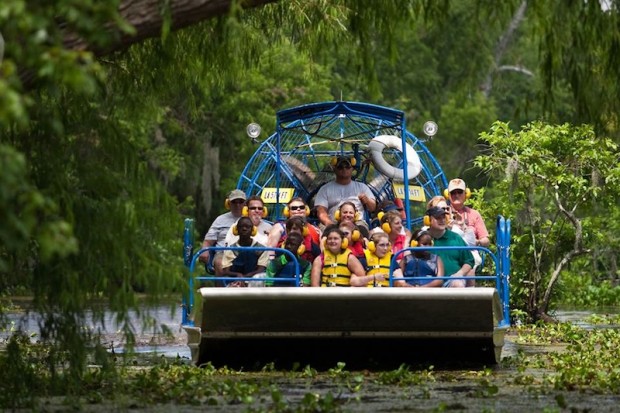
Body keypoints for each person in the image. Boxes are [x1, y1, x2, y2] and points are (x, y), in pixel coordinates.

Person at [445, 178, 490, 285]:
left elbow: (486, 240)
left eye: (460, 192)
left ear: (466, 194)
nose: (456, 195)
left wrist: (477, 242)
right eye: (453, 192)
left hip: (469, 252)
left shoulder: (474, 214)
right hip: (448, 252)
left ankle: (469, 299)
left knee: (469, 268)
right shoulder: (443, 213)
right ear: (448, 195)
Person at [314, 155, 376, 228]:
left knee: (362, 230)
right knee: (324, 230)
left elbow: (372, 208)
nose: (344, 169)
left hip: (358, 223)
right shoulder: (325, 189)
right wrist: (329, 223)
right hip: (333, 222)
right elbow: (321, 211)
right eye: (340, 167)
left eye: (347, 167)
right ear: (334, 169)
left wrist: (367, 200)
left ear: (352, 169)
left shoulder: (362, 187)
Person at [198, 189, 246, 275]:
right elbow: (208, 240)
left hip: (245, 253)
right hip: (223, 252)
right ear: (228, 203)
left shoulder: (249, 219)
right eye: (234, 202)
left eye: (241, 202)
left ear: (245, 204)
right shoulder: (220, 220)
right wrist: (204, 250)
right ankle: (220, 287)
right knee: (220, 263)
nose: (237, 205)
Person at [425, 206, 474, 288]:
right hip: (427, 280)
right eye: (438, 218)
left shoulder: (456, 237)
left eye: (444, 217)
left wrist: (459, 274)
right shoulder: (422, 238)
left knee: (457, 283)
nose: (442, 220)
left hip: (451, 281)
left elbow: (469, 261)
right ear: (428, 220)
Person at [220, 216, 271, 287]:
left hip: (254, 279)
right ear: (236, 230)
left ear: (253, 230)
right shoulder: (230, 249)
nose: (244, 229)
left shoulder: (261, 249)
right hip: (235, 279)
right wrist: (238, 275)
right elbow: (226, 271)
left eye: (248, 227)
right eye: (241, 226)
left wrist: (245, 277)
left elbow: (260, 270)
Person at [266, 198, 321, 262]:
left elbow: (321, 252)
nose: (298, 209)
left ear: (307, 210)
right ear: (287, 211)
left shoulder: (315, 229)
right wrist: (272, 264)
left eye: (302, 207)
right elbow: (270, 248)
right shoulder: (279, 227)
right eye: (294, 208)